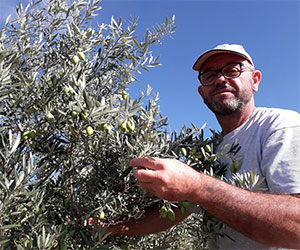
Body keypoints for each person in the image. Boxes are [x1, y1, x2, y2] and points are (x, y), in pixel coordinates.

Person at [105, 44, 300, 250]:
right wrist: (107, 227)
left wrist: (198, 186)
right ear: (201, 92)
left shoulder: (280, 126)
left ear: (255, 80)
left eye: (232, 70)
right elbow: (173, 212)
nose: (220, 79)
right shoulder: (209, 151)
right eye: (209, 75)